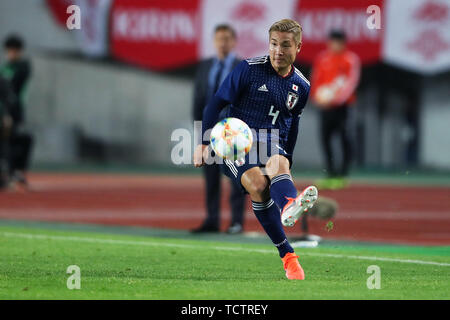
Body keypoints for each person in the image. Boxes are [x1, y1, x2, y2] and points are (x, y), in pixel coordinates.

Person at [194, 19, 318, 280]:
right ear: (268, 44)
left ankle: (289, 205)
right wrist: (204, 143)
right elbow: (214, 104)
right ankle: (288, 254)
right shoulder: (249, 69)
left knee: (279, 164)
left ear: (298, 47)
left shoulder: (301, 86)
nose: (278, 51)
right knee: (259, 185)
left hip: (271, 140)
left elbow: (292, 124)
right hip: (234, 142)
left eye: (285, 45)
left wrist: (288, 158)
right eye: (274, 44)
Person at [191, 25, 247, 234]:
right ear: (214, 41)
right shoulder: (205, 66)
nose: (222, 43)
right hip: (208, 129)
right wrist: (199, 129)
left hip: (232, 130)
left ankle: (236, 222)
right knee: (211, 176)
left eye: (226, 39)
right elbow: (198, 96)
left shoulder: (242, 66)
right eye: (219, 39)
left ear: (233, 42)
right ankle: (212, 219)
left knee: (236, 176)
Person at [310, 30, 361, 189]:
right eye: (332, 41)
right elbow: (315, 78)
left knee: (345, 138)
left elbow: (351, 82)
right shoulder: (322, 58)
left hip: (343, 107)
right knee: (325, 138)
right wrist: (316, 98)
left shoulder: (350, 59)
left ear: (343, 43)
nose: (334, 45)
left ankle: (343, 173)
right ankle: (331, 173)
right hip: (325, 107)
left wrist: (335, 99)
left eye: (338, 42)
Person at [0, 35, 33, 188]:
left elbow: (13, 87)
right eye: (9, 50)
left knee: (18, 140)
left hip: (15, 111)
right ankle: (8, 173)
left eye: (13, 50)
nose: (10, 53)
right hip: (4, 110)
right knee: (8, 142)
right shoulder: (5, 68)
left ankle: (14, 171)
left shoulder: (23, 66)